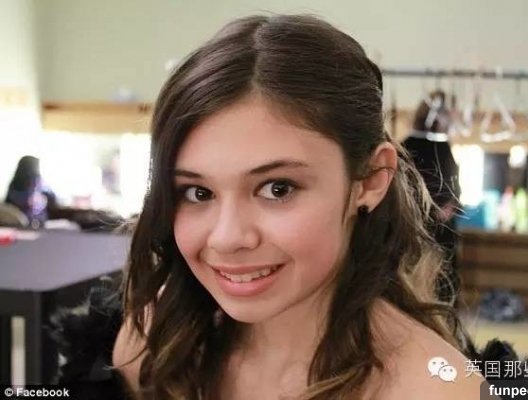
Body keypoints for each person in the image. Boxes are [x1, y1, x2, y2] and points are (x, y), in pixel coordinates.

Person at [111, 15, 488, 400]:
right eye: (198, 193)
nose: (227, 238)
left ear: (371, 179)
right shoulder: (152, 348)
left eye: (278, 189)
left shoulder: (436, 390)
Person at [402, 91, 461, 304]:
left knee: (436, 284)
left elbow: (453, 187)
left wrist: (449, 206)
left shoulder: (437, 145)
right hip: (416, 226)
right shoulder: (413, 146)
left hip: (434, 226)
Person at [4, 155, 123, 230]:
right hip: (25, 229)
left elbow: (52, 199)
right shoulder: (17, 187)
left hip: (42, 225)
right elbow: (19, 205)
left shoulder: (40, 185)